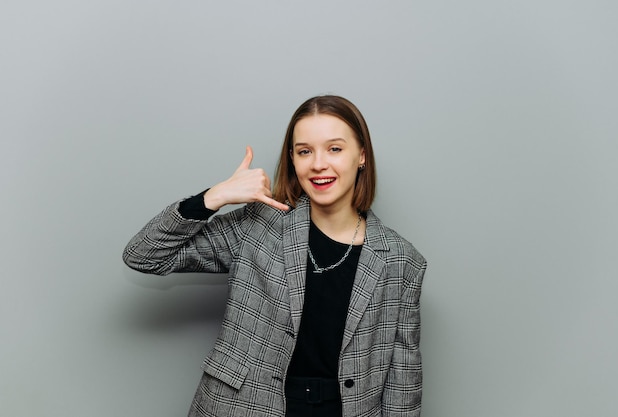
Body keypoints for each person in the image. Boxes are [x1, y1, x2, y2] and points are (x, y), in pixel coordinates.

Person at [123, 95, 427, 417]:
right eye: (304, 151)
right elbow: (144, 255)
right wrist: (216, 196)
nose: (318, 164)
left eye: (334, 149)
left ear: (361, 156)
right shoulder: (258, 225)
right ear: (293, 160)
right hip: (241, 408)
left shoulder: (402, 261)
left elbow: (402, 384)